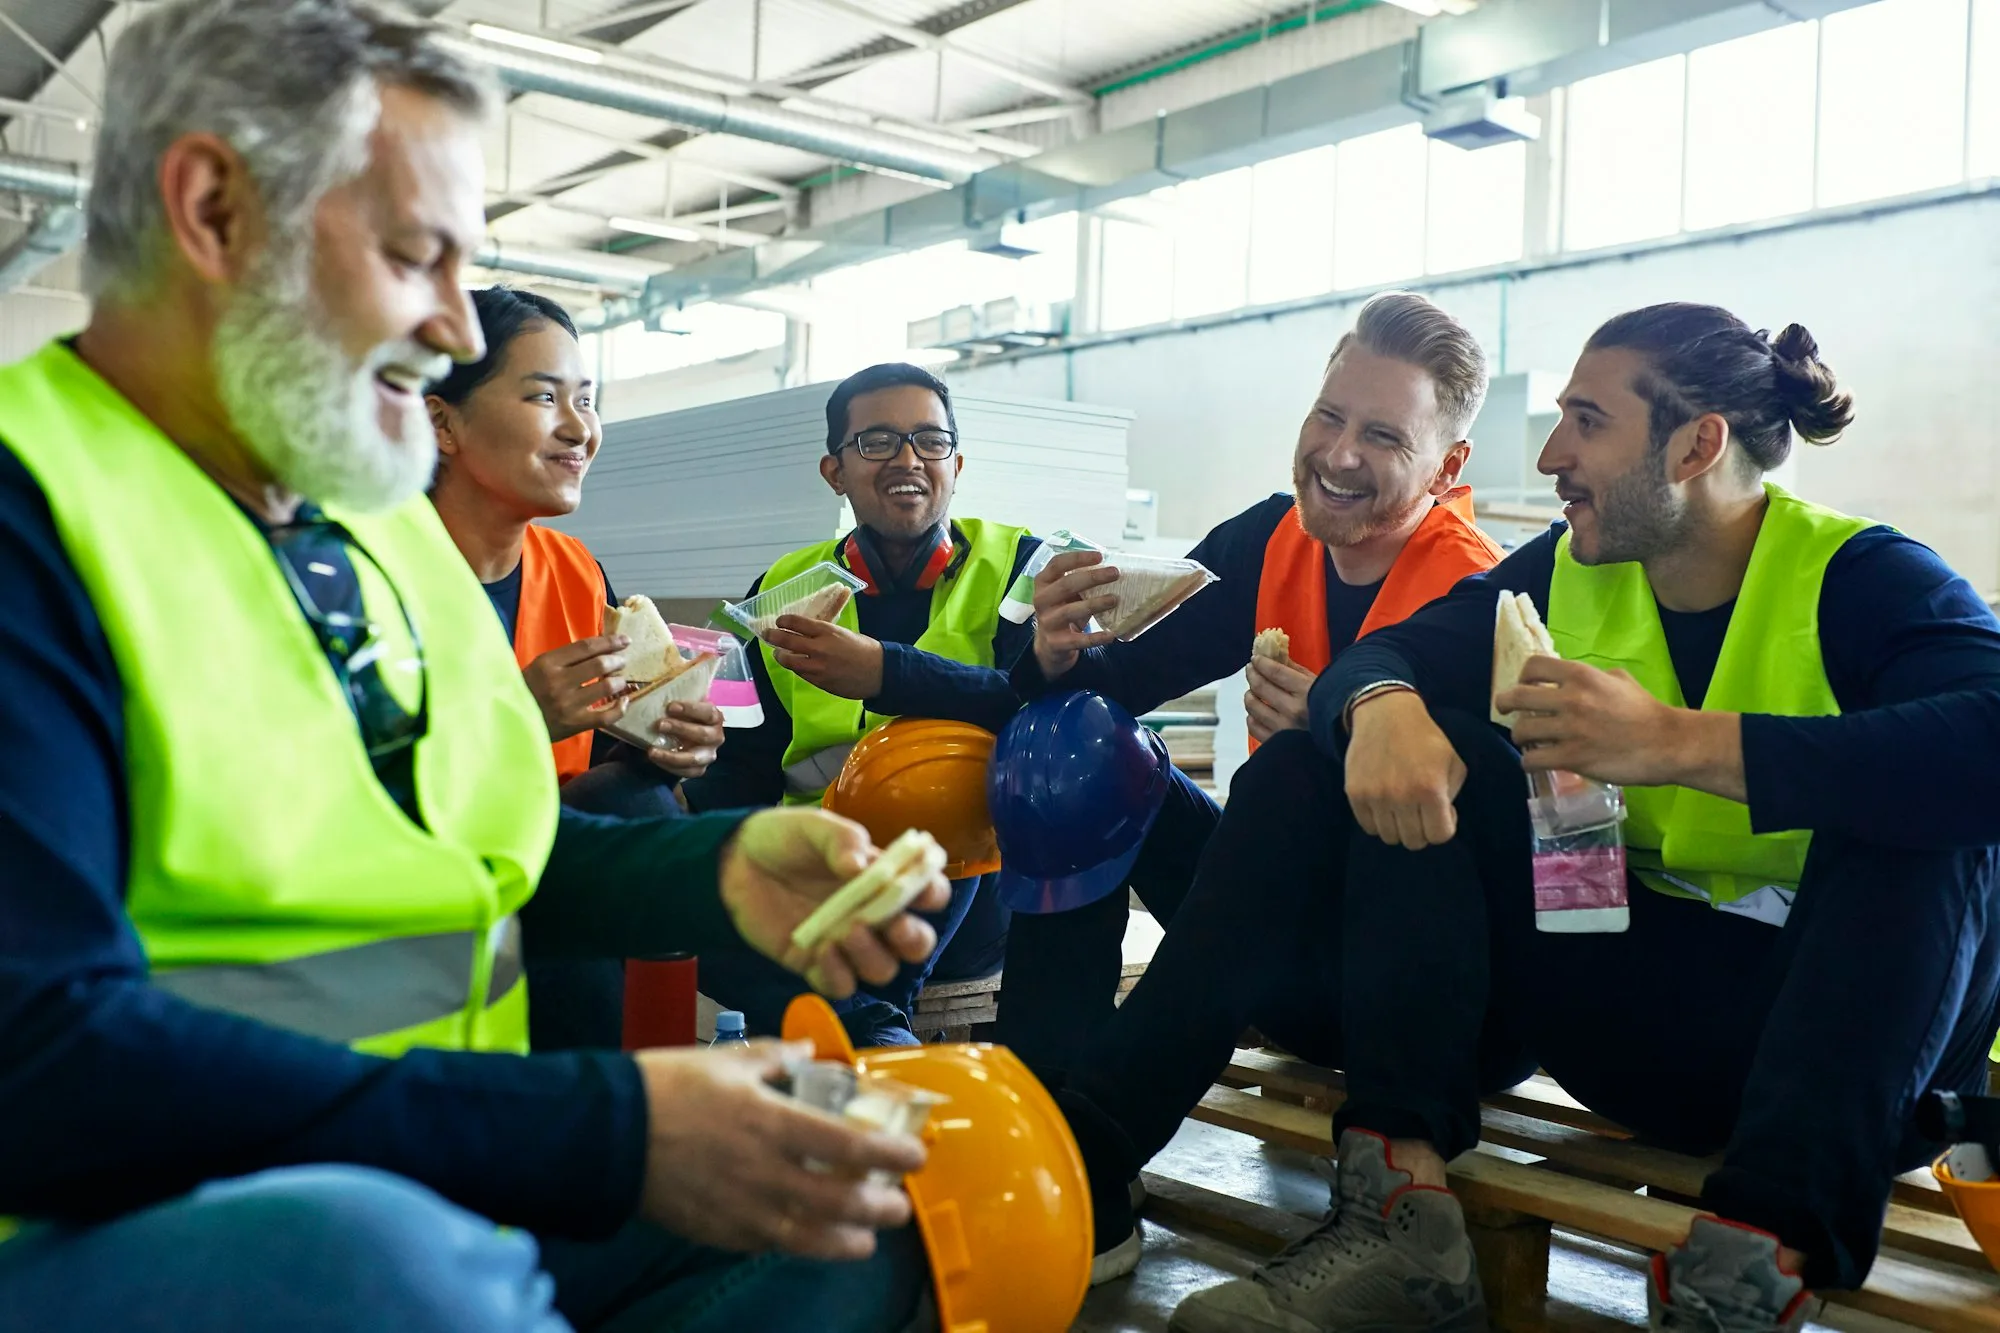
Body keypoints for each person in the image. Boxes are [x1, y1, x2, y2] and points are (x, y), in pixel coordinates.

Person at [0, 4, 955, 1330]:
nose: (455, 328)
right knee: (393, 1271)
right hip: (130, 1221)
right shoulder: (31, 517)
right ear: (214, 214)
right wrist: (598, 1128)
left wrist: (719, 865)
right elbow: (36, 1059)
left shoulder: (368, 537)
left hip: (425, 1166)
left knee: (852, 1210)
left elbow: (472, 864)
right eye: (415, 258)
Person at [1076, 303, 2000, 1333]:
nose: (1554, 453)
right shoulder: (1566, 566)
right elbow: (1397, 656)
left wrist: (1676, 741)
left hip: (1840, 1065)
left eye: (1586, 422)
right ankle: (1367, 1211)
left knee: (1932, 810)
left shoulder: (1862, 577)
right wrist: (1377, 705)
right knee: (1336, 757)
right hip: (1636, 1023)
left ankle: (1744, 1279)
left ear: (1695, 445)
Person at [997, 291, 1506, 1086]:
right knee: (1067, 739)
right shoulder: (1272, 537)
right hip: (1273, 948)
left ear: (1447, 466)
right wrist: (1057, 645)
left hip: (1421, 997)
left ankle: (1108, 1120)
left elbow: (1495, 852)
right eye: (1328, 417)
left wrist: (1337, 726)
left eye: (1380, 435)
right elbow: (1124, 677)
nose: (1338, 455)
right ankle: (1042, 1086)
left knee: (1285, 774)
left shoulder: (1480, 593)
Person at [684, 362, 1037, 1047]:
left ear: (956, 464)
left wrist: (888, 673)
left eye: (930, 441)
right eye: (876, 442)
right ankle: (871, 1030)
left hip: (965, 885)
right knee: (676, 897)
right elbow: (738, 760)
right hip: (815, 873)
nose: (907, 460)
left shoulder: (1019, 566)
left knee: (934, 795)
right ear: (834, 472)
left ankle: (861, 1020)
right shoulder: (783, 586)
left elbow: (1045, 711)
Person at [428, 284, 728, 1052]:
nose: (580, 429)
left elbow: (598, 767)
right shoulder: (365, 570)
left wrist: (663, 749)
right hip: (423, 885)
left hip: (552, 868)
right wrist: (521, 719)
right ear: (442, 421)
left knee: (653, 805)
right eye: (544, 397)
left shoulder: (575, 572)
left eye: (587, 401)